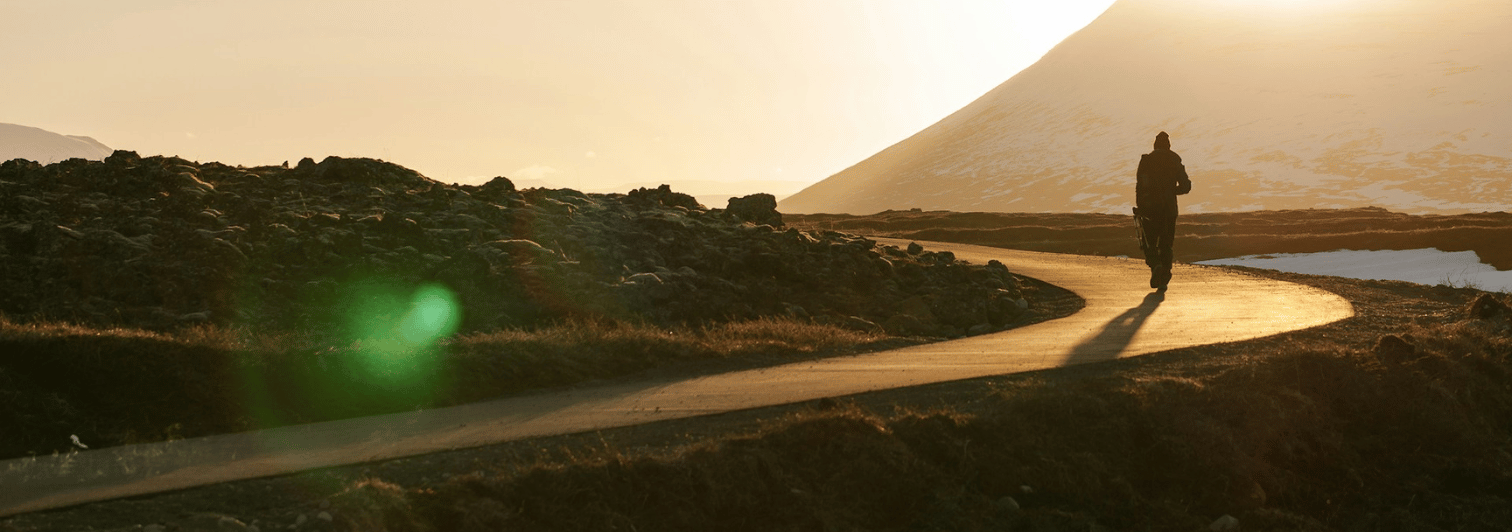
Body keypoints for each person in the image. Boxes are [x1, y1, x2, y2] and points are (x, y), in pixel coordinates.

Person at [1134, 131, 1191, 290]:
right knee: (1166, 243)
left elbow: (1139, 186)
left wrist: (1140, 206)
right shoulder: (1175, 160)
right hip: (1169, 209)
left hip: (1150, 208)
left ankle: (1156, 265)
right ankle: (1165, 271)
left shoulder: (1146, 161)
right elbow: (1186, 186)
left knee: (1149, 242)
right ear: (1168, 146)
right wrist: (1172, 191)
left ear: (1155, 145)